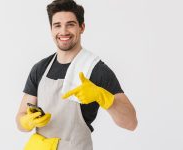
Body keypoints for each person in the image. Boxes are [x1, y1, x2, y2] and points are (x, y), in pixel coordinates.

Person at [16, 0, 138, 149]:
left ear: (82, 27)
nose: (64, 31)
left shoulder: (95, 70)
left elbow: (131, 123)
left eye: (70, 24)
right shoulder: (40, 69)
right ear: (51, 30)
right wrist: (26, 121)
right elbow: (20, 118)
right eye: (57, 25)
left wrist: (103, 96)